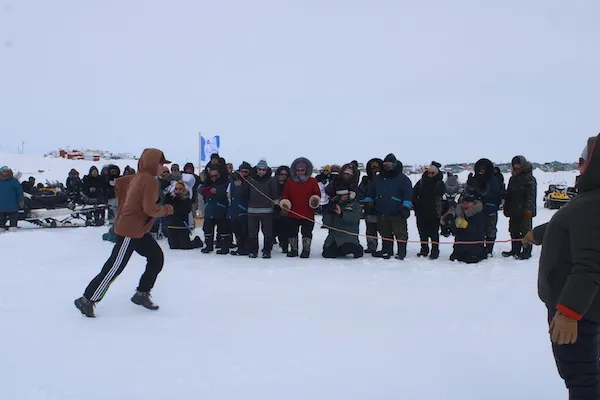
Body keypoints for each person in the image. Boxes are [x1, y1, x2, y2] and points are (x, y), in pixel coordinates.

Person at [523, 135, 600, 399]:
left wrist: (569, 313)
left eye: (583, 159)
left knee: (581, 379)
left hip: (579, 313)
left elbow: (591, 264)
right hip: (584, 306)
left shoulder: (593, 204)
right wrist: (540, 233)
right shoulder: (590, 201)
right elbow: (575, 226)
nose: (579, 164)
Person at [74, 149, 175, 318]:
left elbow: (120, 183)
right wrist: (167, 209)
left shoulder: (139, 176)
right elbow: (150, 209)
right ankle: (87, 299)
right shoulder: (149, 180)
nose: (163, 167)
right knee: (115, 266)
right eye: (161, 164)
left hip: (138, 229)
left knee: (156, 257)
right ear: (152, 164)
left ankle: (142, 293)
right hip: (130, 231)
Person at [364, 153, 413, 260]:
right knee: (384, 231)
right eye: (385, 165)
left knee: (400, 232)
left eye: (390, 165)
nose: (387, 167)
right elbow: (371, 192)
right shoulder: (378, 178)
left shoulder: (402, 179)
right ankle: (387, 250)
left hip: (397, 211)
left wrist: (405, 206)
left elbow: (408, 194)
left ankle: (401, 252)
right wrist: (368, 202)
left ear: (395, 165)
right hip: (381, 210)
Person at [280, 157, 321, 258]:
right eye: (298, 170)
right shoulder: (289, 181)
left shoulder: (312, 181)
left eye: (302, 170)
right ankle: (294, 249)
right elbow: (285, 195)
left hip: (307, 213)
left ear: (306, 170)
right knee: (292, 232)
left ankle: (306, 250)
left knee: (307, 232)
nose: (300, 172)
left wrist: (315, 200)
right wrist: (285, 203)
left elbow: (317, 194)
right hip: (293, 213)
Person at [502, 155, 537, 259]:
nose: (516, 166)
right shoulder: (513, 178)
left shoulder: (529, 178)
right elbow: (509, 194)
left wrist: (529, 210)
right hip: (514, 210)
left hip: (525, 211)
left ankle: (526, 252)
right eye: (515, 164)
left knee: (526, 231)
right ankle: (515, 250)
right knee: (513, 230)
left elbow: (531, 196)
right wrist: (506, 207)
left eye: (518, 164)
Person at [467, 158, 503, 256]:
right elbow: (469, 193)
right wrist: (470, 185)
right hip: (477, 210)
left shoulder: (493, 180)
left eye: (483, 169)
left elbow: (495, 194)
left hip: (490, 209)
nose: (481, 171)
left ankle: (489, 250)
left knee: (490, 230)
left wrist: (483, 192)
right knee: (478, 230)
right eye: (480, 169)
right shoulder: (476, 178)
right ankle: (479, 249)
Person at [246, 160, 278, 259]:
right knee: (252, 232)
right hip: (252, 211)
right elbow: (245, 194)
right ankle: (253, 251)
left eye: (264, 170)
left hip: (267, 211)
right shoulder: (250, 180)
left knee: (268, 233)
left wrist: (276, 204)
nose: (261, 171)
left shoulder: (271, 180)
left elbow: (275, 194)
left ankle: (267, 251)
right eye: (259, 169)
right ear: (256, 169)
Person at [412, 161, 445, 259]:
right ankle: (424, 249)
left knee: (434, 233)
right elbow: (414, 193)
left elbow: (441, 194)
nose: (430, 175)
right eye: (428, 173)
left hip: (434, 212)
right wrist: (415, 203)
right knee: (422, 232)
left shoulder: (440, 183)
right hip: (421, 211)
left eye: (432, 173)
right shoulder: (421, 181)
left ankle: (435, 251)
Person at [322, 184, 364, 258]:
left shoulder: (355, 205)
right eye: (340, 195)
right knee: (327, 253)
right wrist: (328, 212)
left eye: (345, 195)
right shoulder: (334, 205)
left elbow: (354, 218)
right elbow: (326, 223)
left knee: (348, 249)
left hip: (349, 235)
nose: (343, 197)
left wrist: (341, 213)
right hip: (334, 237)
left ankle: (357, 248)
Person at [163, 182, 203, 250]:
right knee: (173, 246)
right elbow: (166, 206)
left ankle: (197, 241)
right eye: (176, 189)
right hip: (171, 225)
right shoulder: (170, 198)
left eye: (180, 189)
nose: (178, 190)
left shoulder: (186, 199)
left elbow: (186, 210)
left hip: (182, 226)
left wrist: (174, 208)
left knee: (185, 246)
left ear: (183, 190)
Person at [0, 166, 24, 232]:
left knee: (13, 220)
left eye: (7, 171)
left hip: (12, 205)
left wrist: (21, 201)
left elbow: (20, 192)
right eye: (4, 171)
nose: (5, 173)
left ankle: (12, 231)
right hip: (1, 206)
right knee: (1, 220)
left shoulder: (14, 181)